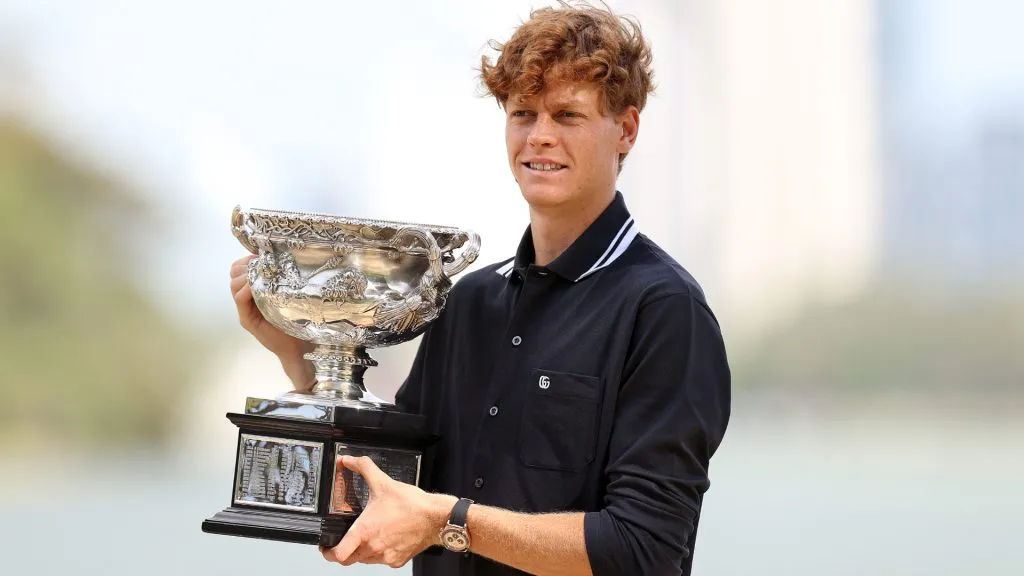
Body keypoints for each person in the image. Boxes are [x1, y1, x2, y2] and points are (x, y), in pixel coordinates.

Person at [229, 3, 730, 574]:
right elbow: (392, 480)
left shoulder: (665, 311)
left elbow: (646, 548)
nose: (540, 137)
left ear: (627, 129)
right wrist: (299, 349)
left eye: (567, 115)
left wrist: (448, 522)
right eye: (523, 113)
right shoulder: (469, 301)